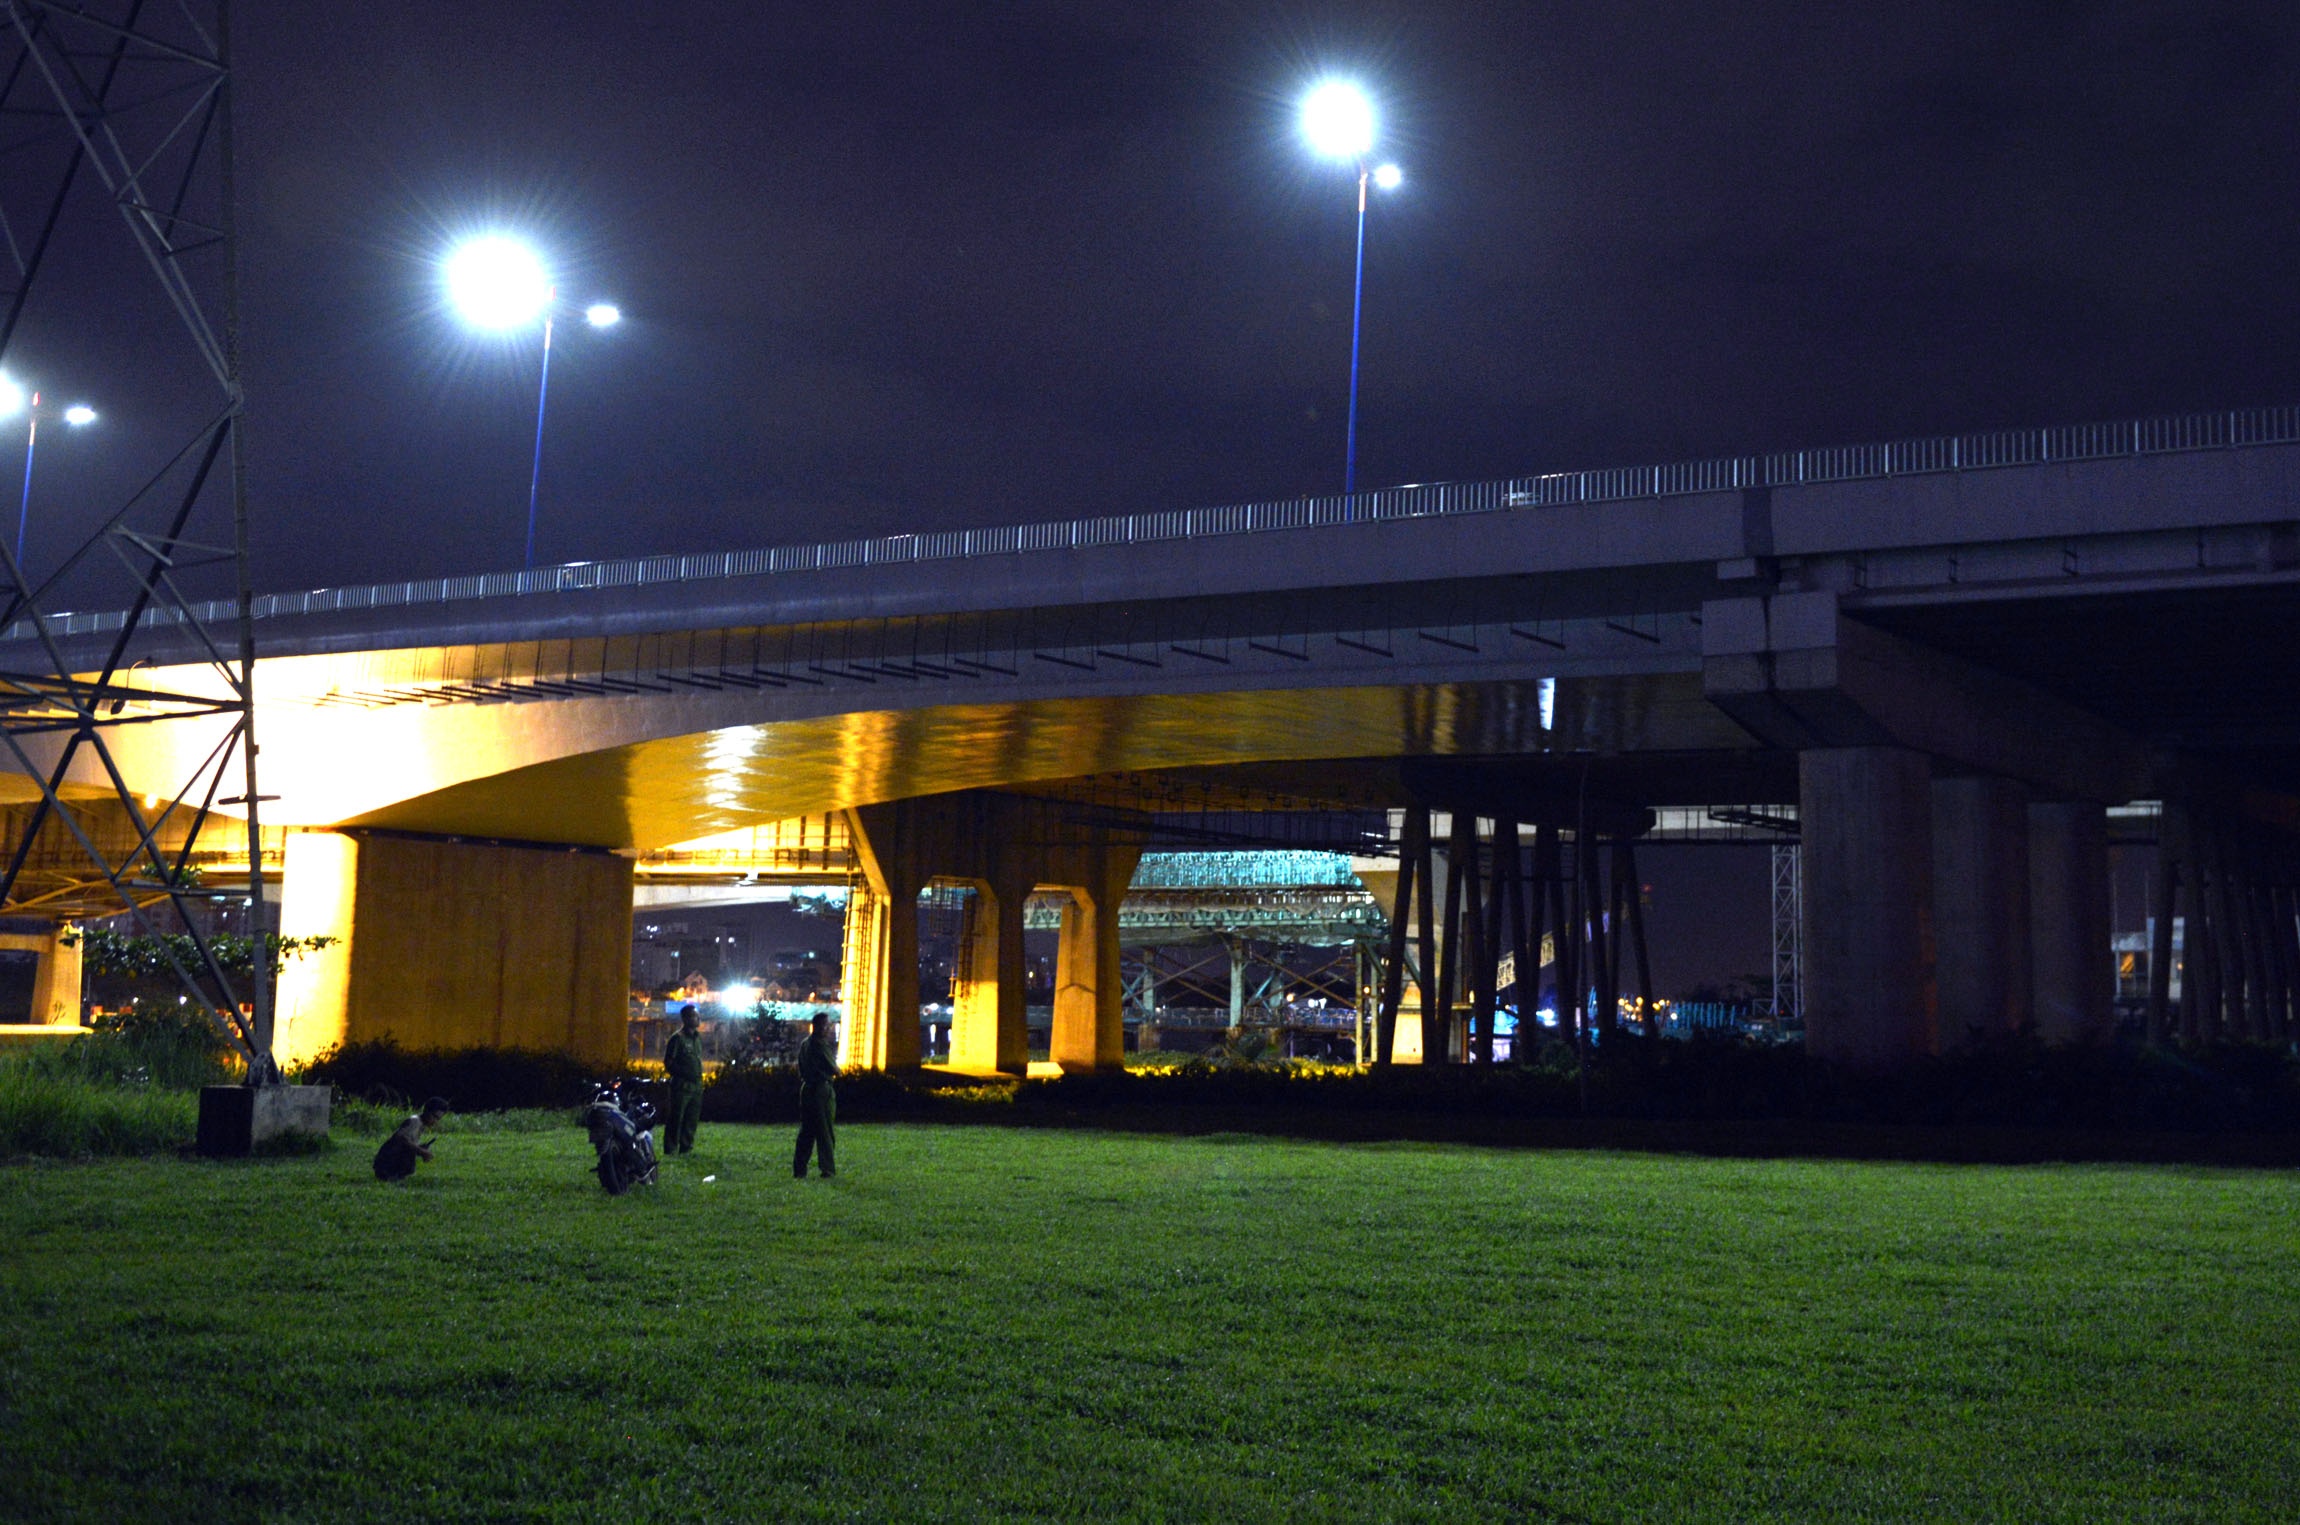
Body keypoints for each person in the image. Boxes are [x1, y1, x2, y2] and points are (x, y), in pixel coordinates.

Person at [794, 1012, 838, 1178]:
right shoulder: (820, 1045)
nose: (828, 1028)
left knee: (806, 1131)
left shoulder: (805, 1044)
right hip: (821, 1090)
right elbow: (834, 1069)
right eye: (826, 1025)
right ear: (819, 1026)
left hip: (806, 1090)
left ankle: (799, 1169)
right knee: (825, 1131)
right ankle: (827, 1168)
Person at [662, 1006, 705, 1155]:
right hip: (682, 1086)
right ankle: (671, 1149)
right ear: (686, 1019)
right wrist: (685, 1074)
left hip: (696, 1086)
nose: (698, 1019)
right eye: (694, 1016)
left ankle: (686, 1148)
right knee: (676, 1118)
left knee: (691, 1119)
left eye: (698, 1016)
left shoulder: (697, 1038)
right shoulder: (677, 1039)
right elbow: (669, 1063)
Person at [373, 1097, 447, 1181]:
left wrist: (420, 1148)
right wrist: (421, 1151)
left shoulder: (420, 1125)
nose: (435, 1121)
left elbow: (408, 1142)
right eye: (434, 1116)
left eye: (438, 1119)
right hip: (386, 1162)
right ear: (427, 1111)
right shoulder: (415, 1121)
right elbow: (400, 1139)